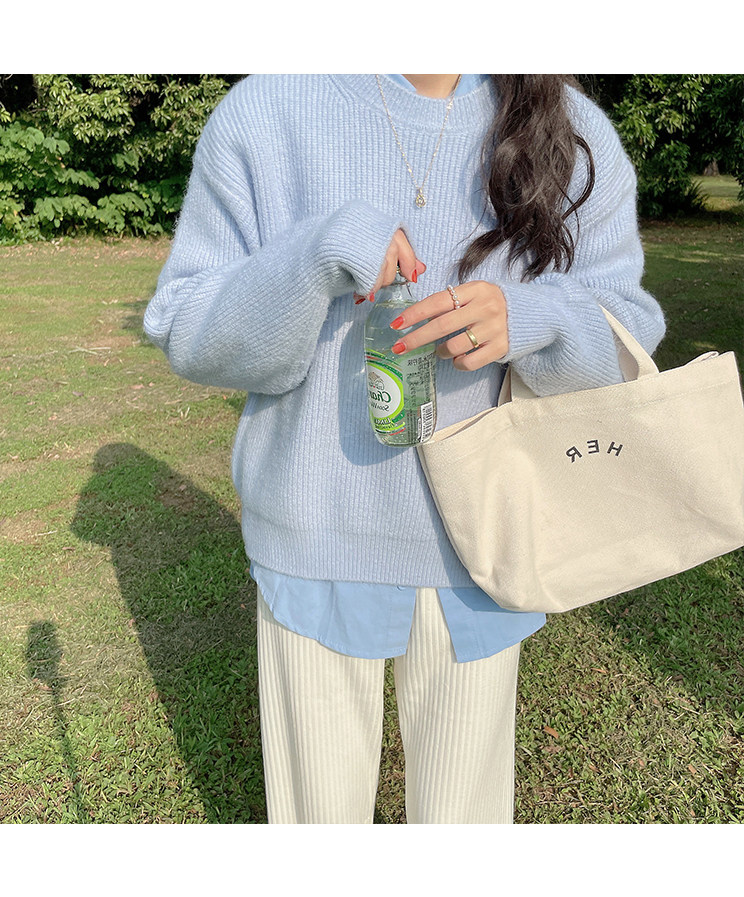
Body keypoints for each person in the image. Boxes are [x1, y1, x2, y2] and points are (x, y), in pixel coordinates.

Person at [143, 74, 665, 824]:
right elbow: (188, 328)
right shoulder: (271, 109)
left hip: (485, 543)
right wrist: (316, 252)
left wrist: (533, 319)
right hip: (317, 538)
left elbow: (629, 334)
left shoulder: (568, 126)